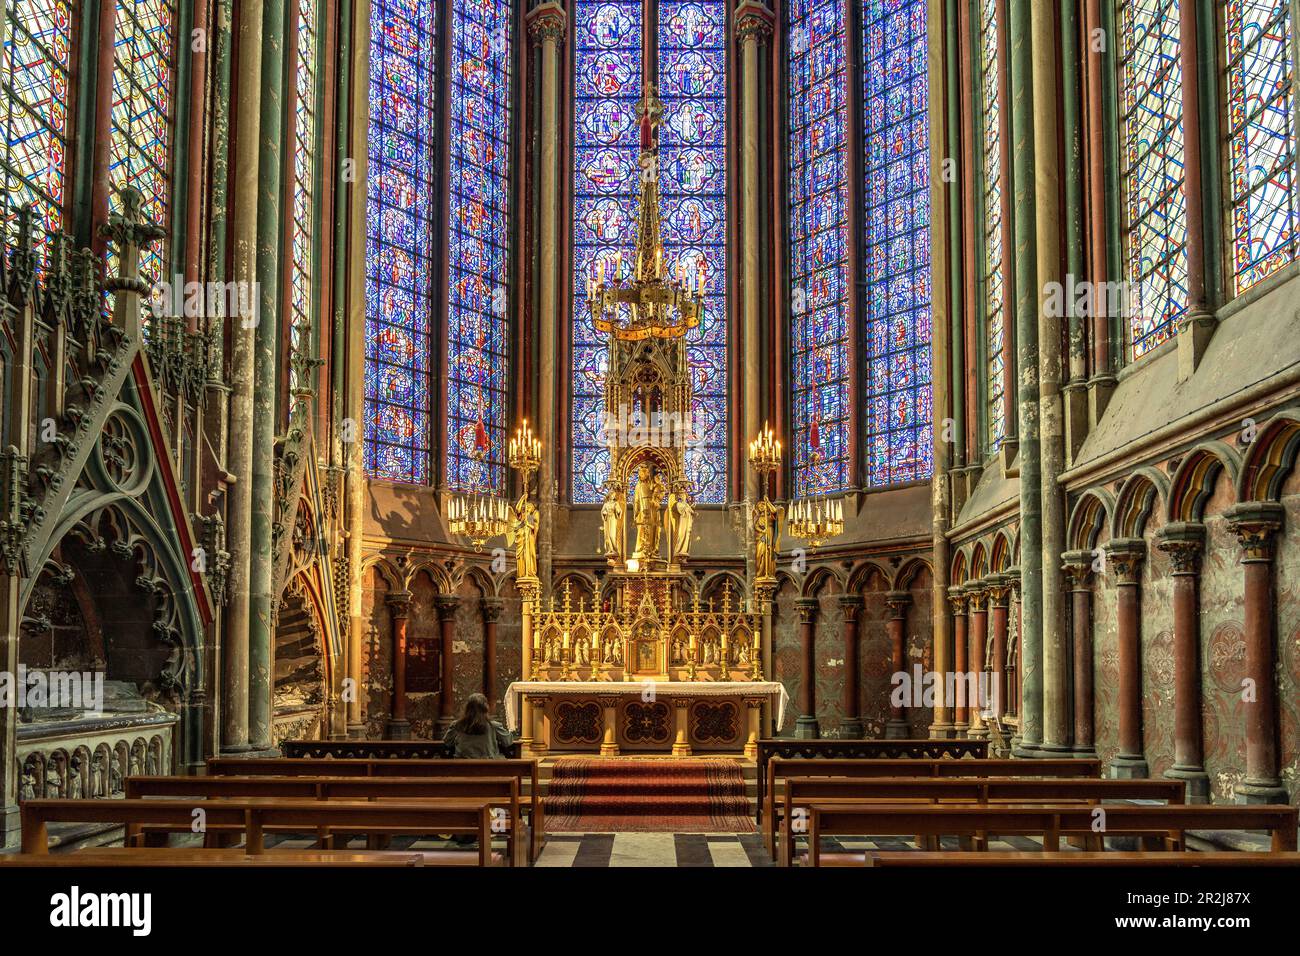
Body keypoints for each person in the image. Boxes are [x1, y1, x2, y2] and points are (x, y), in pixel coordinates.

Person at [442, 693, 513, 759]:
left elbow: (447, 742)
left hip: (462, 766)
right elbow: (507, 742)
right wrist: (511, 730)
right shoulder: (494, 726)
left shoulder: (456, 725)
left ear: (467, 708)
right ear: (486, 708)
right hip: (488, 766)